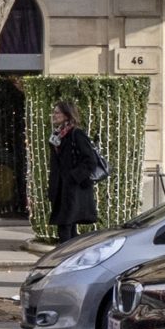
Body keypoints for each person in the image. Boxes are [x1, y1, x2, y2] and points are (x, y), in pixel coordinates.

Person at [47, 99, 106, 243]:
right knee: (68, 226)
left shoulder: (76, 134)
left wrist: (73, 177)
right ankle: (72, 258)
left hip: (73, 189)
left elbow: (90, 161)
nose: (53, 115)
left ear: (67, 115)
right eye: (54, 112)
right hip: (61, 189)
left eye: (57, 113)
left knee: (65, 226)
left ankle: (65, 259)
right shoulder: (57, 135)